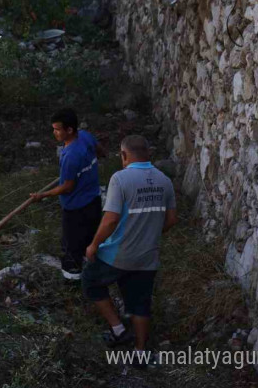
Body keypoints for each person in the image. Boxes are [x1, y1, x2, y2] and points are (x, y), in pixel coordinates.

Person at [83, 135, 178, 365]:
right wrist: (151, 234)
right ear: (148, 153)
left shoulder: (120, 179)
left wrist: (94, 245)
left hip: (118, 255)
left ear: (123, 155)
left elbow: (111, 220)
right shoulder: (164, 180)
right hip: (148, 257)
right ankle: (141, 351)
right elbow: (172, 219)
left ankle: (118, 330)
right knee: (140, 303)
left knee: (90, 281)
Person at [30, 108, 106, 281]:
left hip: (76, 209)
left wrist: (42, 196)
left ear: (69, 130)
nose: (54, 132)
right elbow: (99, 149)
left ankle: (73, 280)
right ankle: (95, 272)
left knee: (72, 246)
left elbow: (67, 187)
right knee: (91, 238)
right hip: (94, 200)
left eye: (57, 129)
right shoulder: (85, 136)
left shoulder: (71, 156)